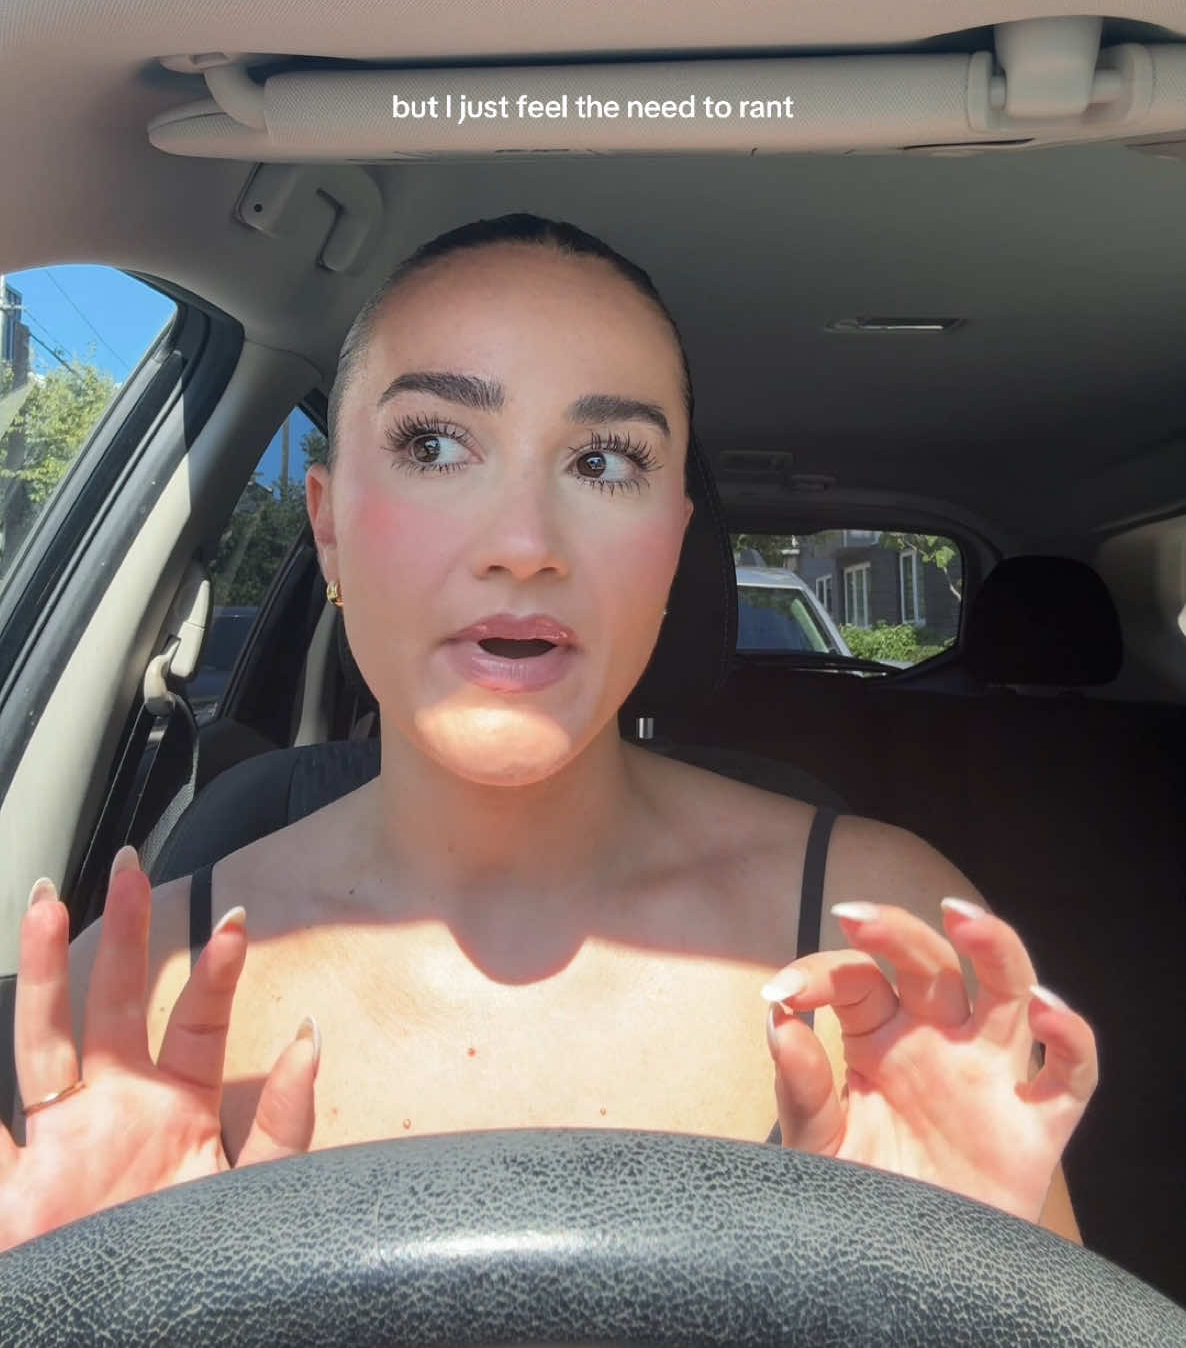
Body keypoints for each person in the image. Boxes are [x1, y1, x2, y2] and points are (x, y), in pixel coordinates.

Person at [0, 213, 1097, 1253]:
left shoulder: (888, 943)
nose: (524, 544)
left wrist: (959, 1291)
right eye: (435, 443)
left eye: (604, 460)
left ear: (672, 546)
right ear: (327, 526)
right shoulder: (134, 1003)